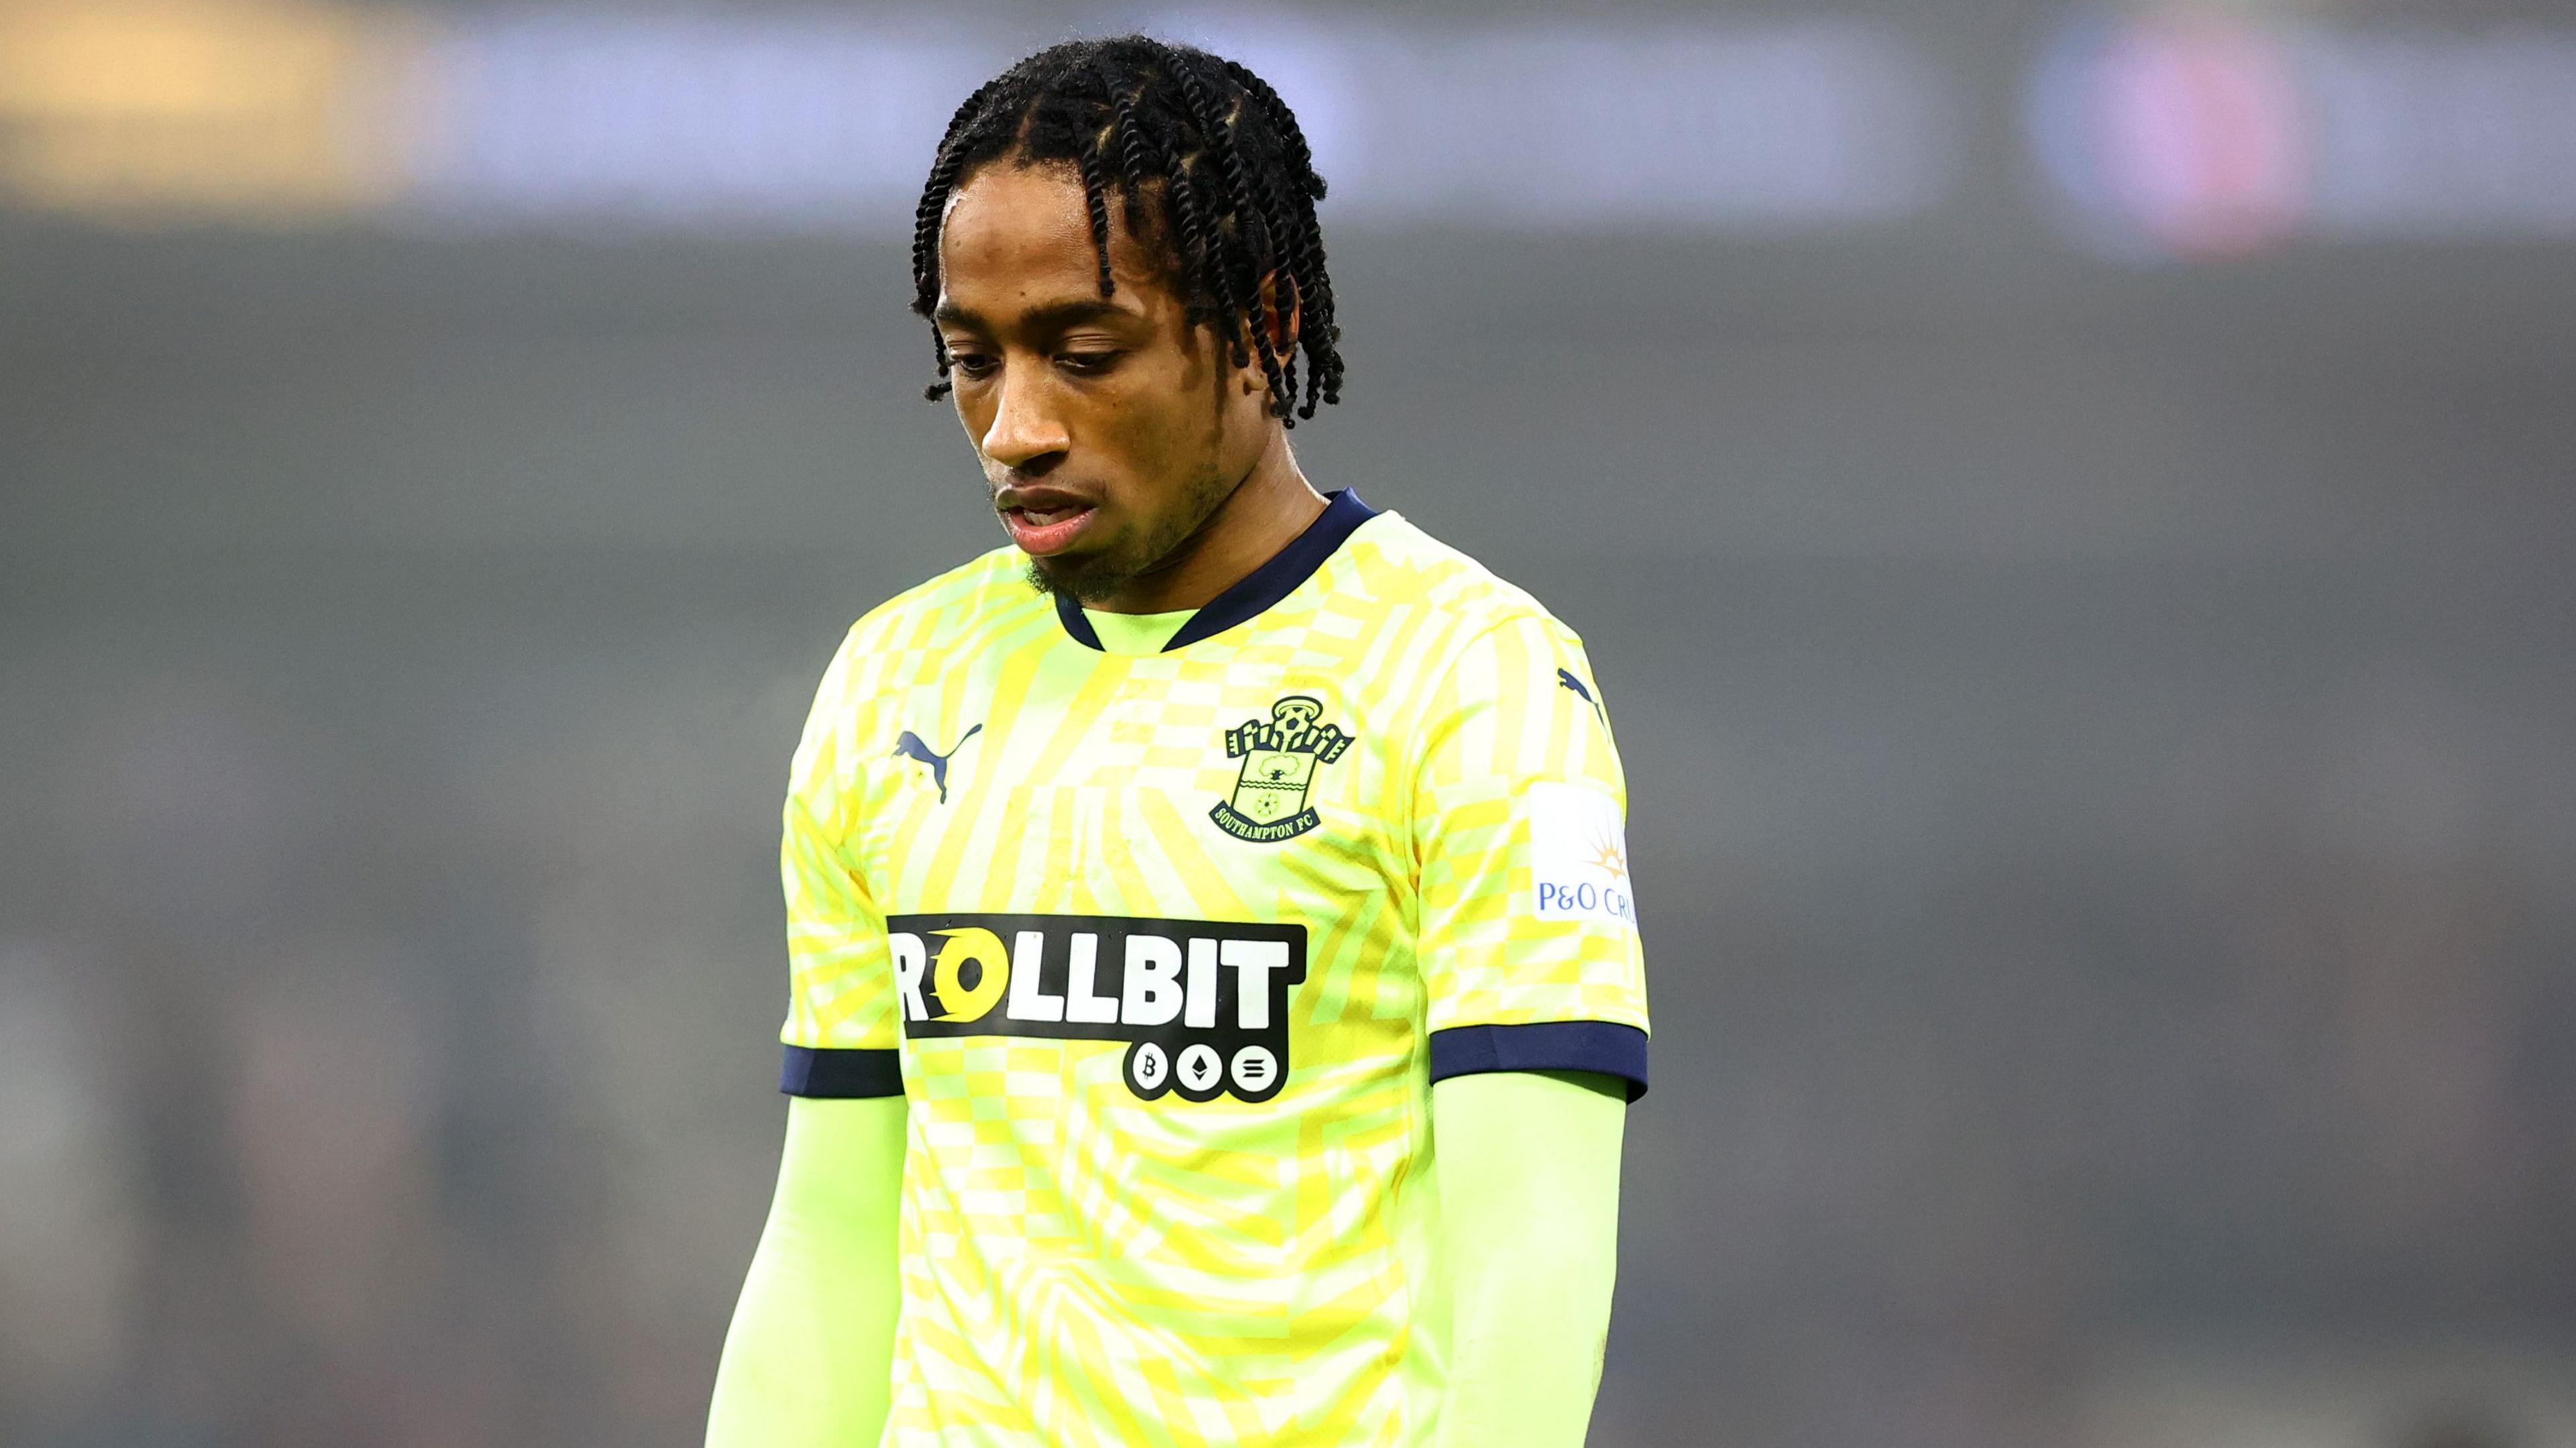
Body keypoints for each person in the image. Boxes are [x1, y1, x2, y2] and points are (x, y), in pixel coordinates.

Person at [706, 36, 1648, 1448]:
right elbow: (832, 1240)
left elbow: (1537, 1258)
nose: (1013, 428)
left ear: (1259, 324)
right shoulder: (894, 682)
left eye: (1084, 354)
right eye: (973, 360)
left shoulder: (1470, 677)